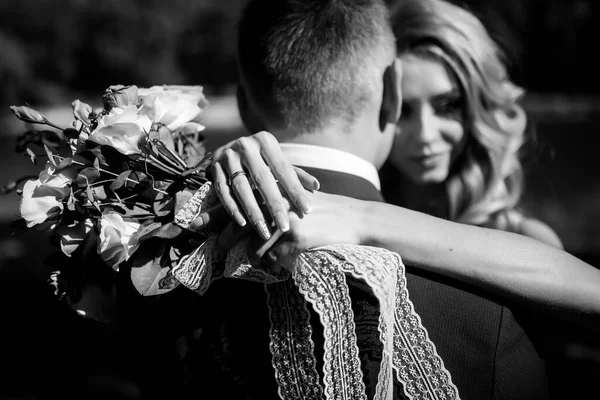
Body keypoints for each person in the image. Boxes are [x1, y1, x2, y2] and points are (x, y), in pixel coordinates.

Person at [202, 0, 570, 398]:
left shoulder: (528, 242)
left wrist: (366, 218)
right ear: (390, 97)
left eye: (448, 105)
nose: (425, 135)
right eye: (408, 111)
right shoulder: (328, 214)